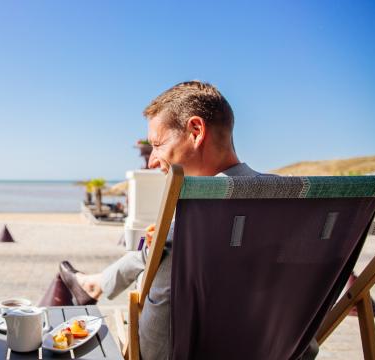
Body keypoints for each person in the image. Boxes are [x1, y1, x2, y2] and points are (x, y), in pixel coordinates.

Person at [54, 81, 318, 359]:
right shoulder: (297, 205)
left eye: (157, 145)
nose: (153, 161)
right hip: (285, 351)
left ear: (196, 131)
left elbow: (155, 351)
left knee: (159, 251)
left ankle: (95, 284)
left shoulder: (197, 218)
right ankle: (96, 283)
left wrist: (155, 263)